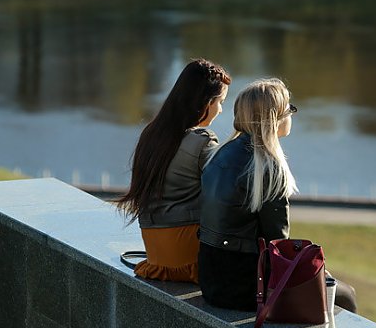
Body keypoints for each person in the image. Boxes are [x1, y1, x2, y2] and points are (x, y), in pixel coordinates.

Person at [198, 78, 357, 312]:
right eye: (289, 110)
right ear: (275, 119)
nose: (291, 115)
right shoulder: (267, 167)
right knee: (346, 295)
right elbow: (278, 242)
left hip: (211, 280)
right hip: (246, 287)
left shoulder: (219, 154)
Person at [115, 58, 231, 284]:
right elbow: (226, 192)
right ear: (206, 102)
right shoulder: (202, 142)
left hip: (155, 249)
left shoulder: (152, 134)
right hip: (188, 252)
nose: (220, 110)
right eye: (221, 102)